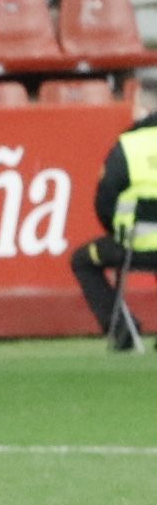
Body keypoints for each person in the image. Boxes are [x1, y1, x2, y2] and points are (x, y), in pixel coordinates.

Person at [69, 86, 157, 352]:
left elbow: (105, 200)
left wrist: (119, 233)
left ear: (143, 108)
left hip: (135, 247)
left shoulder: (129, 146)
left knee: (82, 260)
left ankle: (121, 328)